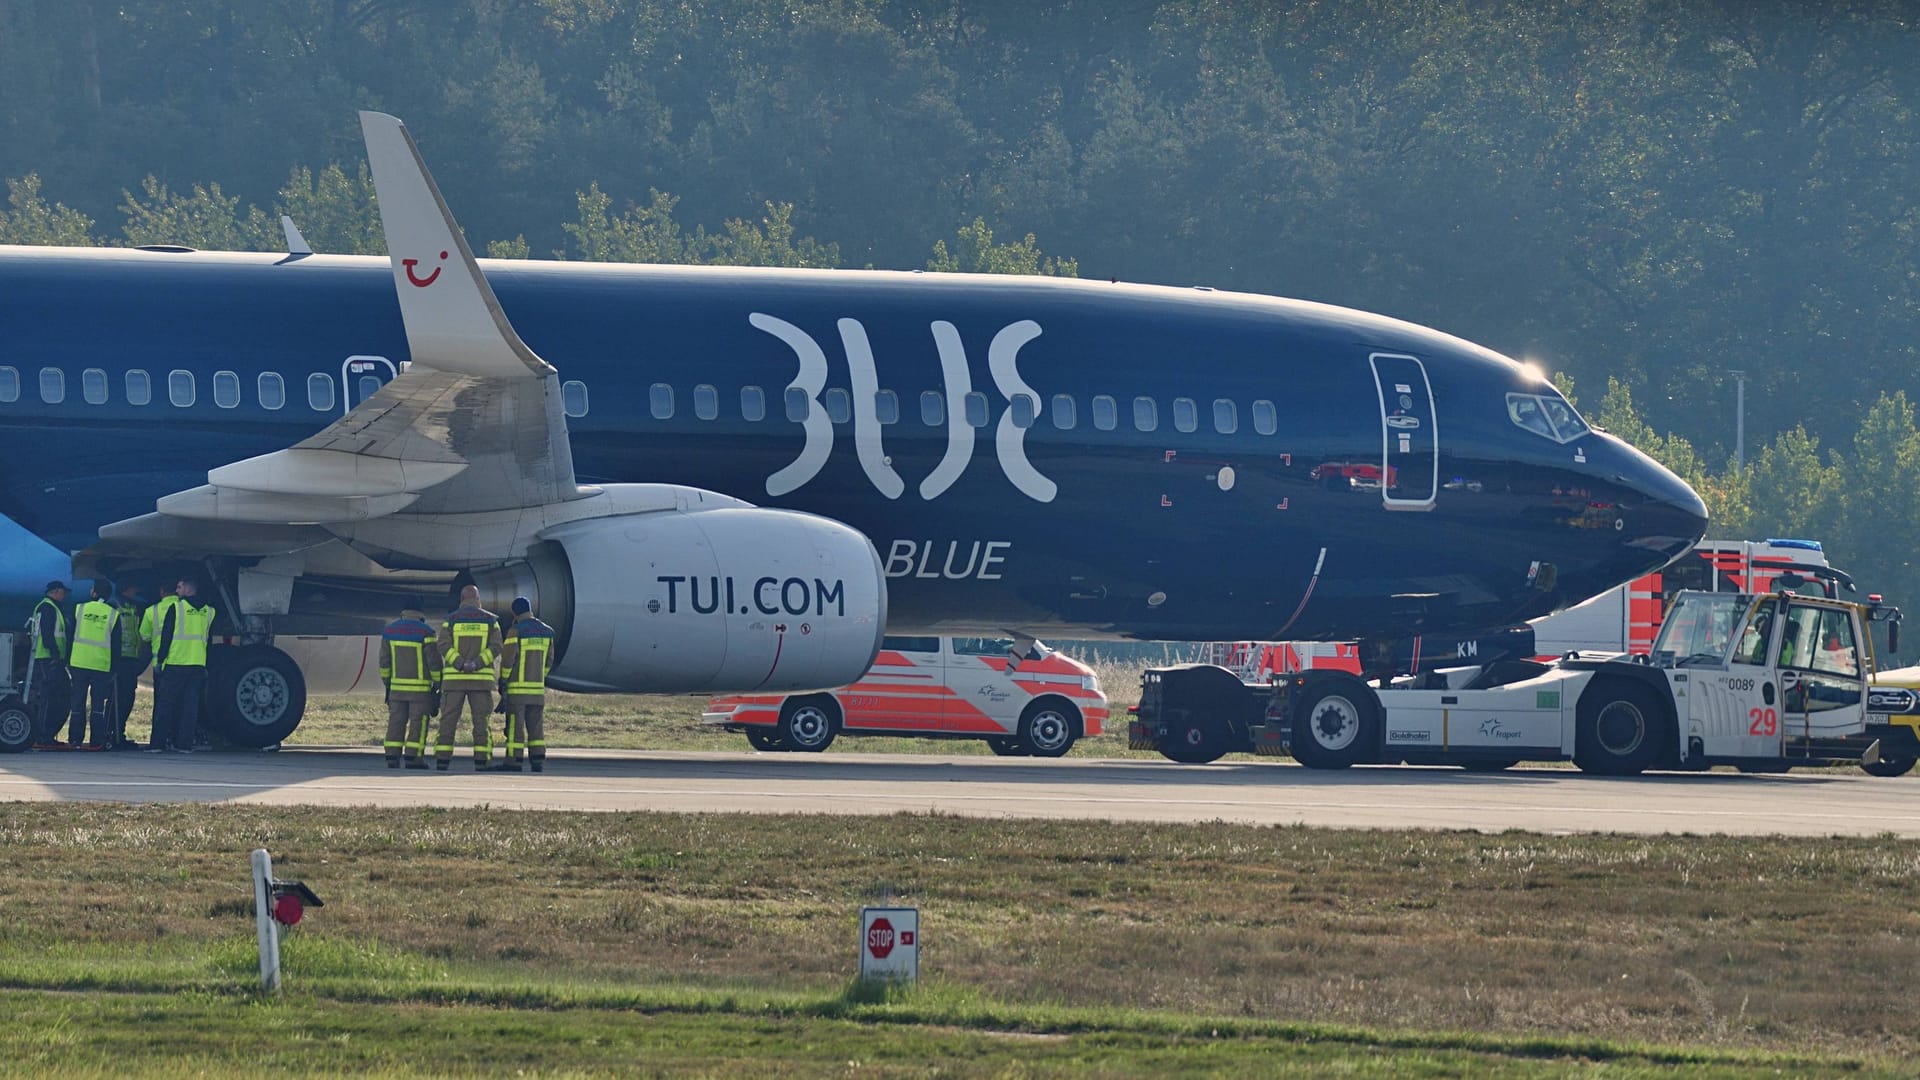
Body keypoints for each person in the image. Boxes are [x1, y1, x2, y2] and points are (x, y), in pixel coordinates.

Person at [436, 585, 502, 771]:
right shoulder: (491, 621)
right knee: (481, 722)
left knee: (448, 721)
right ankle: (482, 761)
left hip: (454, 680)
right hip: (480, 681)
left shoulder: (450, 621)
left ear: (461, 599)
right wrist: (477, 663)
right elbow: (496, 647)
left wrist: (459, 663)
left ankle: (442, 760)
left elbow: (443, 645)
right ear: (478, 599)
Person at [150, 577, 216, 754]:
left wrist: (160, 660)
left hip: (176, 661)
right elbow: (208, 639)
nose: (177, 591)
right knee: (190, 706)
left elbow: (166, 637)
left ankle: (157, 744)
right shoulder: (209, 612)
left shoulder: (177, 608)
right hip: (197, 664)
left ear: (188, 588)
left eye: (179, 587)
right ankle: (184, 744)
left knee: (165, 704)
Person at [379, 604, 443, 769]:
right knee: (418, 723)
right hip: (420, 691)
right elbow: (433, 662)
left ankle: (392, 756)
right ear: (420, 613)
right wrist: (437, 683)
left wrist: (388, 683)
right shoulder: (426, 631)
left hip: (396, 688)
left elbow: (384, 662)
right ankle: (413, 758)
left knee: (396, 722)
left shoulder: (389, 631)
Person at [497, 596, 555, 772]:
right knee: (536, 726)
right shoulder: (547, 631)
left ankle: (514, 761)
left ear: (514, 612)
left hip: (518, 690)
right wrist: (539, 678)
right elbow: (549, 661)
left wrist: (504, 681)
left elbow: (508, 660)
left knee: (515, 726)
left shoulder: (516, 631)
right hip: (537, 690)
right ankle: (537, 760)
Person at [66, 581, 123, 749]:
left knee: (77, 703)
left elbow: (70, 637)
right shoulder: (113, 614)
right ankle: (96, 740)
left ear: (94, 593)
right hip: (101, 665)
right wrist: (115, 669)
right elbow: (116, 645)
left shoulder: (79, 609)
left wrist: (67, 660)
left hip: (79, 662)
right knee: (98, 705)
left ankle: (75, 739)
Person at [28, 581, 71, 747]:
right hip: (48, 659)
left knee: (54, 696)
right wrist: (54, 652)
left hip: (49, 659)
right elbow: (47, 634)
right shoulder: (48, 608)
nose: (65, 596)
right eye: (63, 592)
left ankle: (45, 734)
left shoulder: (49, 607)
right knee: (50, 698)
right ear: (56, 591)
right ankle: (43, 735)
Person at [112, 581, 149, 749]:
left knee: (127, 697)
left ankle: (119, 733)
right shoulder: (114, 605)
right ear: (127, 588)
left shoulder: (132, 606)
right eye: (134, 587)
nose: (137, 590)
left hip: (129, 659)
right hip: (119, 660)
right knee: (119, 698)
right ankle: (114, 734)